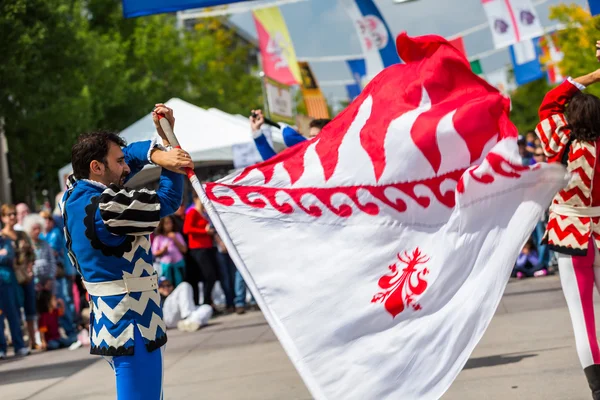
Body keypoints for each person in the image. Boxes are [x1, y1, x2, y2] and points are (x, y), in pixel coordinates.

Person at [61, 104, 191, 399]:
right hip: (132, 324)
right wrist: (171, 153)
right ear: (96, 167)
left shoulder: (72, 194)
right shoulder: (108, 207)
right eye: (118, 162)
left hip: (116, 320)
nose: (127, 167)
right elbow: (168, 202)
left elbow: (130, 154)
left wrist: (157, 151)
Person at [535, 63, 600, 399]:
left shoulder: (559, 137)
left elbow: (549, 103)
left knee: (583, 319)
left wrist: (592, 75)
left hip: (570, 233)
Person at [1, 204, 37, 350]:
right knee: (14, 310)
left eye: (14, 214)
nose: (12, 217)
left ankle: (32, 340)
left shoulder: (22, 234)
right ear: (3, 218)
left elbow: (31, 254)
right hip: (11, 278)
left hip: (25, 277)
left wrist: (29, 269)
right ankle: (17, 341)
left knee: (30, 309)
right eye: (9, 214)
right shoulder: (2, 237)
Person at [40, 210, 76, 336]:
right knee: (53, 303)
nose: (47, 222)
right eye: (44, 219)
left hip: (58, 274)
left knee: (63, 300)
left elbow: (53, 252)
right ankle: (57, 332)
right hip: (48, 276)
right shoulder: (42, 236)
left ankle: (71, 330)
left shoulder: (55, 234)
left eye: (49, 219)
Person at [249, 109, 330, 161]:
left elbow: (289, 137)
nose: (311, 140)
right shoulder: (303, 161)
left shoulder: (328, 155)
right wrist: (256, 131)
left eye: (315, 136)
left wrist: (283, 126)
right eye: (310, 136)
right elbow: (273, 163)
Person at [183, 191, 218, 308]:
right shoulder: (192, 212)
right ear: (195, 199)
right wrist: (205, 231)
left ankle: (208, 302)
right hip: (198, 248)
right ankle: (206, 303)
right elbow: (186, 229)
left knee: (209, 276)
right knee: (209, 276)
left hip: (207, 247)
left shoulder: (204, 213)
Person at [0, 227, 28, 358]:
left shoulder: (6, 241)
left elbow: (9, 256)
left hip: (8, 284)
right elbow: (3, 257)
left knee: (13, 314)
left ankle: (19, 345)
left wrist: (4, 254)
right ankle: (2, 348)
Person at [23, 213, 57, 290]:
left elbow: (52, 261)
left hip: (48, 283)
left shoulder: (45, 243)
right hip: (32, 283)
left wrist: (50, 279)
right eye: (34, 229)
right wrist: (35, 282)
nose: (37, 231)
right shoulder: (26, 245)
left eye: (39, 228)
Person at [152, 216, 187, 287]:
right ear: (162, 225)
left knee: (180, 285)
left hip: (178, 265)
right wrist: (163, 250)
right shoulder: (159, 238)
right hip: (166, 266)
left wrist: (175, 239)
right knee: (167, 285)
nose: (169, 225)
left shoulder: (177, 235)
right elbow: (154, 252)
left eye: (171, 223)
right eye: (167, 223)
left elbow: (184, 250)